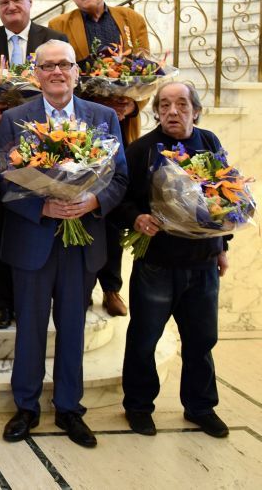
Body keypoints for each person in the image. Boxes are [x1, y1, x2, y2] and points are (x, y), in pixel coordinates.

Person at [0, 40, 128, 449]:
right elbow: (3, 181)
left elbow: (120, 177)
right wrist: (43, 207)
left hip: (82, 240)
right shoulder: (15, 119)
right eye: (48, 65)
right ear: (36, 74)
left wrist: (93, 201)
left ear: (76, 72)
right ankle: (27, 406)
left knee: (73, 327)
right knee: (30, 327)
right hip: (33, 240)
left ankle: (70, 407)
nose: (56, 72)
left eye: (64, 65)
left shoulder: (103, 117)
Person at [116, 81, 231, 438]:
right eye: (164, 105)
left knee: (201, 340)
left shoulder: (209, 142)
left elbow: (226, 196)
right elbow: (119, 199)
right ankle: (138, 406)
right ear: (156, 112)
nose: (172, 111)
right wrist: (137, 218)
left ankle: (201, 407)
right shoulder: (142, 150)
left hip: (203, 262)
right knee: (144, 339)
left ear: (196, 110)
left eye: (181, 104)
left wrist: (223, 246)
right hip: (157, 264)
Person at [50, 0, 150, 317]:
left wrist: (132, 104)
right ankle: (78, 284)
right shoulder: (60, 24)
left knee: (113, 206)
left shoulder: (131, 20)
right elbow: (62, 75)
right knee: (78, 201)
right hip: (81, 129)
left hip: (121, 127)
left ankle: (111, 287)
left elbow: (145, 71)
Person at [0, 0, 68, 330]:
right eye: (4, 2)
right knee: (0, 223)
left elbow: (63, 88)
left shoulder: (54, 40)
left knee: (39, 222)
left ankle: (43, 296)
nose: (11, 6)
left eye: (16, 0)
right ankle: (3, 301)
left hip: (46, 146)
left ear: (30, 2)